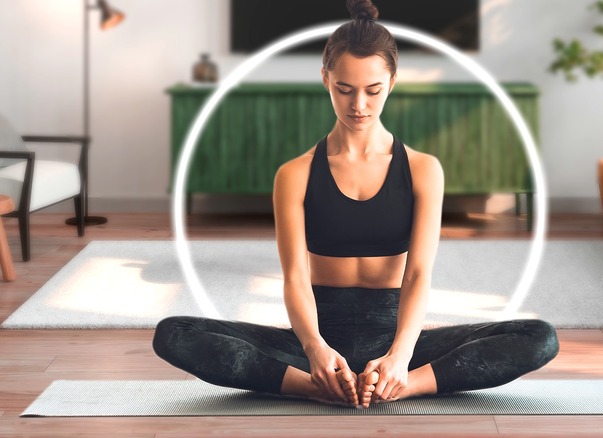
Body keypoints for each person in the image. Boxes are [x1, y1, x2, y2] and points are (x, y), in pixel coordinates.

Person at [153, 0, 559, 409]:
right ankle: (314, 384)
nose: (358, 105)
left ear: (393, 82)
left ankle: (405, 384)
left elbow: (418, 274)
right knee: (175, 332)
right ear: (325, 79)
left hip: (397, 336)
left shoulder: (423, 170)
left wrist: (400, 357)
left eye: (373, 90)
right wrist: (315, 350)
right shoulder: (294, 174)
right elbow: (295, 277)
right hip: (314, 338)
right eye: (344, 89)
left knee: (539, 337)